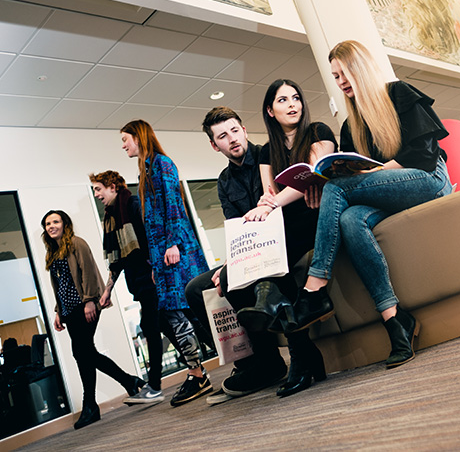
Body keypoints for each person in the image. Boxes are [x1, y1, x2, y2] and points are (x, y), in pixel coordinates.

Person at [291, 40, 452, 369]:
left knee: (338, 190)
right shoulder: (351, 125)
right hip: (390, 193)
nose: (341, 82)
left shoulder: (399, 93)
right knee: (350, 220)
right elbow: (356, 168)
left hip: (429, 181)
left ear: (360, 67)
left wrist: (372, 174)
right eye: (335, 77)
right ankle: (395, 321)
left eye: (344, 72)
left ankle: (314, 287)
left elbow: (422, 156)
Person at [236, 79, 337, 396]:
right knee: (267, 256)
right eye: (283, 100)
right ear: (270, 110)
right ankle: (303, 357)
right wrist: (267, 206)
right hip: (287, 221)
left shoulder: (318, 132)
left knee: (273, 261)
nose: (293, 104)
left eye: (296, 98)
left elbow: (314, 174)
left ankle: (298, 354)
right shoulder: (268, 150)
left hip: (317, 215)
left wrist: (271, 203)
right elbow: (269, 192)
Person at [184, 107, 288, 404]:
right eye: (222, 136)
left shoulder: (269, 156)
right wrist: (230, 260)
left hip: (278, 241)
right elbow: (235, 228)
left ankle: (269, 362)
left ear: (244, 129)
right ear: (214, 145)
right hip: (248, 249)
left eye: (233, 130)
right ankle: (247, 362)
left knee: (230, 277)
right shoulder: (224, 181)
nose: (231, 139)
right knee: (195, 288)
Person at [119, 119, 212, 406]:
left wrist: (172, 242)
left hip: (176, 249)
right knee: (180, 314)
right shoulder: (145, 170)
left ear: (139, 136)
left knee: (185, 312)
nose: (123, 145)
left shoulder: (162, 164)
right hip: (162, 255)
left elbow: (173, 203)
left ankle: (201, 372)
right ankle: (198, 372)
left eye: (125, 139)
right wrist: (154, 262)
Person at [40, 210, 145, 430]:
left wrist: (90, 301)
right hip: (68, 310)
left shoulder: (77, 244)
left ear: (64, 223)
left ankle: (92, 404)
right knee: (85, 353)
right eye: (48, 223)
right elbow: (59, 286)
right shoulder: (52, 251)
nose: (51, 226)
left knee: (82, 352)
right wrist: (58, 311)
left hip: (83, 305)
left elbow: (87, 271)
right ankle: (127, 382)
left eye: (55, 222)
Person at [89, 170, 171, 405]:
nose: (96, 194)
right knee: (160, 324)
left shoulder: (133, 204)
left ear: (113, 186)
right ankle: (193, 370)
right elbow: (118, 261)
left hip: (152, 278)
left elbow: (152, 239)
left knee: (154, 326)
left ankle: (155, 386)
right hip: (139, 282)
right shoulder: (112, 217)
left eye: (98, 189)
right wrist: (107, 291)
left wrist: (156, 268)